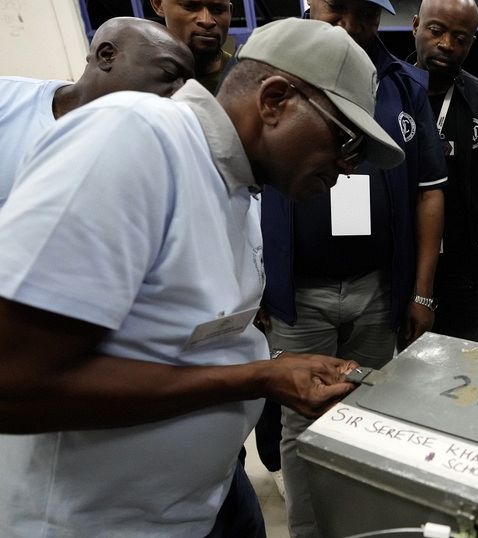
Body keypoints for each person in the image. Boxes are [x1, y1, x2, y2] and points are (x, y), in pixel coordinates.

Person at [0, 18, 404, 536]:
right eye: (344, 142)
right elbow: (14, 383)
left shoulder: (237, 184)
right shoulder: (135, 137)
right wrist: (257, 377)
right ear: (275, 100)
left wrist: (275, 363)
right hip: (97, 519)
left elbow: (177, 336)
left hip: (200, 500)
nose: (346, 168)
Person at [261, 1, 446, 536]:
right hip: (296, 297)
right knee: (301, 421)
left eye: (365, 13)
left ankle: (359, 527)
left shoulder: (402, 84)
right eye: (336, 9)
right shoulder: (274, 70)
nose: (348, 25)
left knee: (363, 412)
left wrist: (422, 293)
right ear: (310, 5)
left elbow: (430, 194)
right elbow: (241, 188)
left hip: (376, 291)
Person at [0, 17, 193, 206]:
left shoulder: (145, 155)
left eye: (185, 83)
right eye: (169, 73)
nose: (179, 92)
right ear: (107, 55)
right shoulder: (7, 97)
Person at [412, 0, 478, 342]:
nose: (447, 45)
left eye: (461, 38)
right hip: (398, 262)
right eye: (436, 31)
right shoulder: (388, 92)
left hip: (463, 267)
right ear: (416, 25)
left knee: (462, 371)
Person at [151, 0, 232, 93]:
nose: (207, 21)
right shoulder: (138, 80)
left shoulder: (246, 79)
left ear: (230, 12)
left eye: (218, 10)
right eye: (190, 6)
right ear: (158, 4)